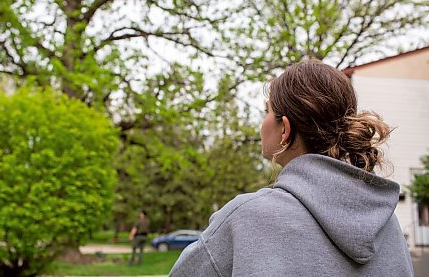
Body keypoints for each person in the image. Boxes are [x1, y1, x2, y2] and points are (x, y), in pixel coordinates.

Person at [170, 60, 413, 276]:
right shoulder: (387, 223)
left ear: (285, 129)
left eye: (267, 111)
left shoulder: (245, 218)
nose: (262, 122)